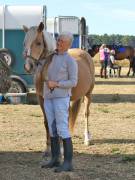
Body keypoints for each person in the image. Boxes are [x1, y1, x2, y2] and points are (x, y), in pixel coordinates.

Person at [41, 32, 78, 173]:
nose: (59, 42)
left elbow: (73, 82)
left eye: (62, 41)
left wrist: (56, 84)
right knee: (52, 127)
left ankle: (68, 162)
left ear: (68, 44)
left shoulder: (70, 61)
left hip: (61, 98)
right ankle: (55, 159)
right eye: (58, 40)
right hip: (48, 97)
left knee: (62, 127)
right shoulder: (50, 58)